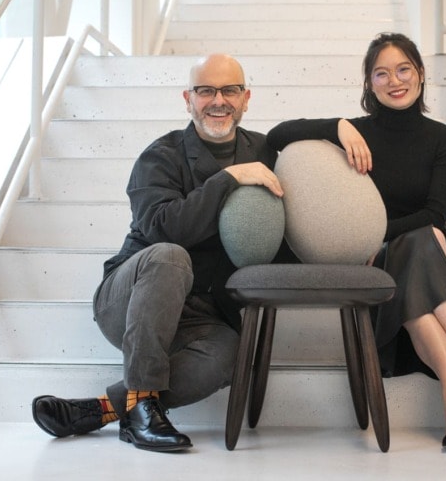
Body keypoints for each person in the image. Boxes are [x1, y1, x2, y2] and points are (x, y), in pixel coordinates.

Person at [31, 54, 285, 452]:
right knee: (170, 255)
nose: (218, 100)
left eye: (230, 90)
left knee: (231, 356)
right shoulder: (160, 156)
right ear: (188, 98)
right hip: (132, 298)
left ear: (246, 98)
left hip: (200, 313)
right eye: (205, 90)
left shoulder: (264, 151)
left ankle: (107, 409)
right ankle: (143, 403)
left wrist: (340, 128)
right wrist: (228, 178)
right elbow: (166, 229)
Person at [266, 32, 446, 450]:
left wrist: (385, 235)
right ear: (369, 84)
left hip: (414, 259)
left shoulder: (442, 138)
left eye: (403, 69)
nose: (395, 80)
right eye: (381, 73)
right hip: (375, 264)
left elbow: (435, 214)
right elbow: (277, 136)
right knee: (423, 242)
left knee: (425, 237)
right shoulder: (354, 132)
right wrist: (335, 126)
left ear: (421, 73)